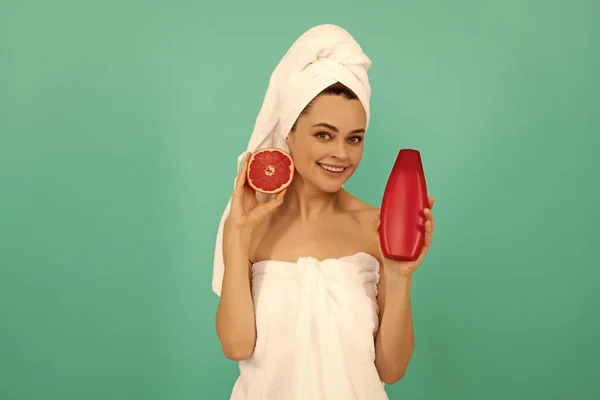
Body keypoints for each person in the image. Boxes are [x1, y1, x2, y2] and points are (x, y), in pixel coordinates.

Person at [212, 24, 435, 399]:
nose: (341, 154)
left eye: (354, 138)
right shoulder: (249, 227)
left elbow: (391, 370)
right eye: (323, 134)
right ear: (289, 132)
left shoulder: (374, 226)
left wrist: (400, 277)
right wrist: (236, 237)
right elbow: (237, 346)